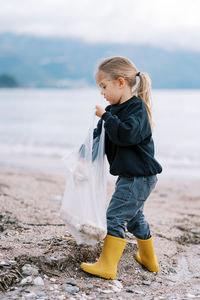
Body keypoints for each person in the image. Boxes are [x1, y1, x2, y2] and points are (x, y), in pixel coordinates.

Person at [81, 56, 162, 280]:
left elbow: (127, 135)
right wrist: (82, 158)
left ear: (120, 82)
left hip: (141, 176)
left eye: (103, 86)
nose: (102, 92)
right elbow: (98, 138)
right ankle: (148, 258)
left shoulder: (137, 109)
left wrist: (106, 116)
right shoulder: (112, 111)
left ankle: (108, 266)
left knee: (114, 217)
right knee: (135, 219)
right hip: (132, 175)